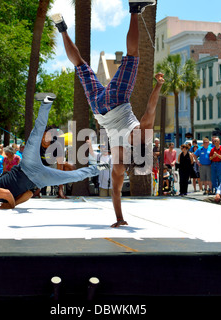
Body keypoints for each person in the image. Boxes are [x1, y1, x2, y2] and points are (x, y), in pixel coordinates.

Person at [53, 0, 163, 228]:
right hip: (98, 109)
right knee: (81, 66)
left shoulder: (141, 137)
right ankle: (61, 27)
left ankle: (134, 9)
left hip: (117, 101)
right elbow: (115, 192)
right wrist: (119, 218)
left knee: (132, 55)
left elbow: (149, 111)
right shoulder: (120, 162)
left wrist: (158, 86)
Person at [0, 93, 109, 209]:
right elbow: (28, 194)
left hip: (28, 168)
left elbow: (8, 194)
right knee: (73, 176)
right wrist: (11, 204)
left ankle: (46, 102)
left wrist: (11, 205)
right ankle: (101, 167)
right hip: (38, 179)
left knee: (37, 132)